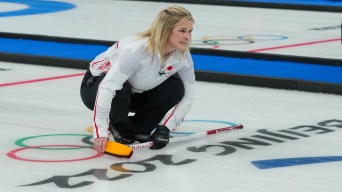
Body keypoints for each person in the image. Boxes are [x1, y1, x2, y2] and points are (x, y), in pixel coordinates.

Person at [80, 5, 196, 153]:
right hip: (95, 87)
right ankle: (119, 126)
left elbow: (189, 95)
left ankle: (138, 128)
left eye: (190, 31)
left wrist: (165, 128)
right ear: (166, 30)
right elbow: (108, 87)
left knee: (176, 87)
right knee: (120, 87)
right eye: (182, 31)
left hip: (136, 91)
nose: (188, 36)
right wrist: (100, 131)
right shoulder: (138, 50)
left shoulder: (183, 55)